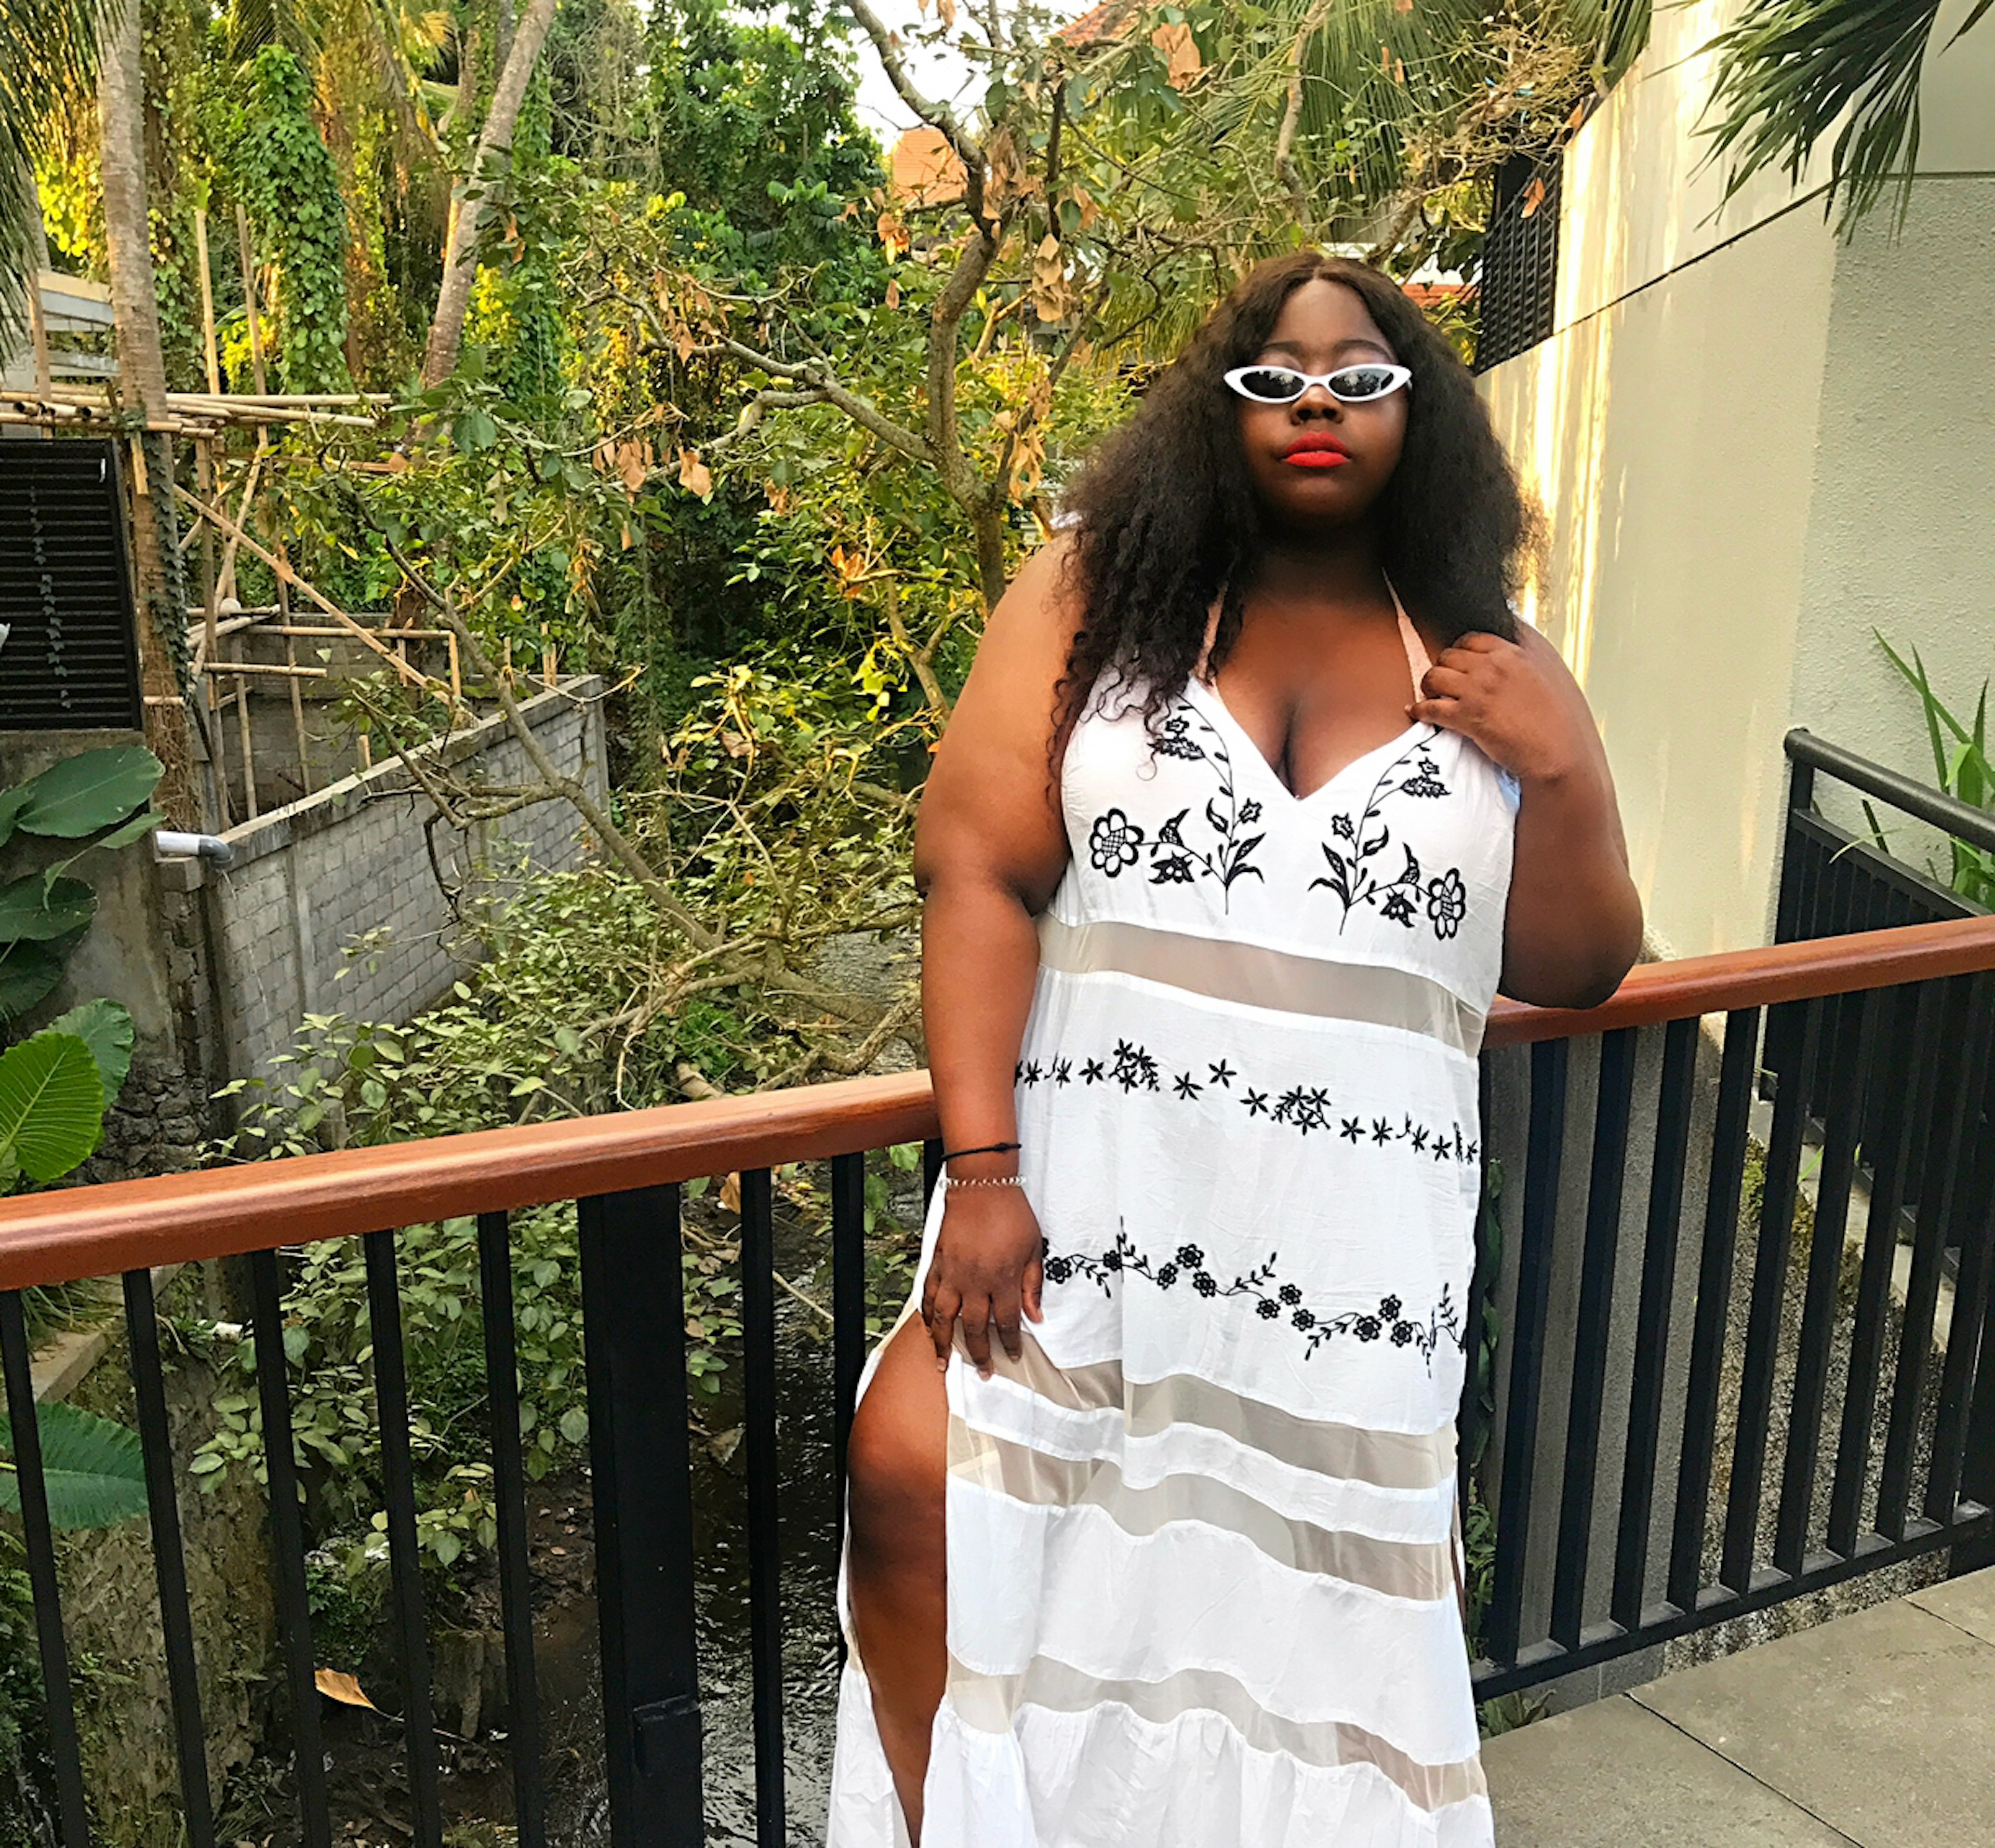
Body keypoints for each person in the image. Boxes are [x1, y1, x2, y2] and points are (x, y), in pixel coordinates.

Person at [827, 252, 1643, 1848]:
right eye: (1277, 376)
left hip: (1343, 1262)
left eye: (1361, 372)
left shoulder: (1488, 651)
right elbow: (977, 867)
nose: (1319, 401)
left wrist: (1571, 767)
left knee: (1284, 1625)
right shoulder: (1095, 599)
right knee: (915, 1474)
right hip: (1093, 1207)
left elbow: (1579, 960)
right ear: (1223, 414)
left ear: (1424, 413)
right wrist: (981, 1166)